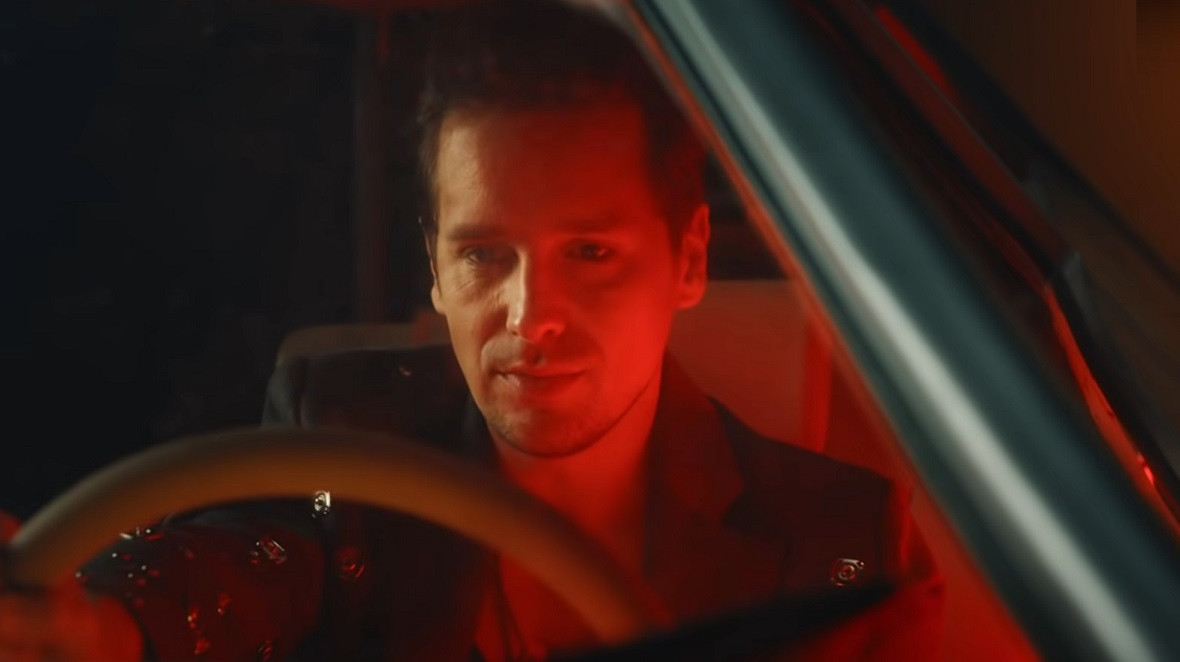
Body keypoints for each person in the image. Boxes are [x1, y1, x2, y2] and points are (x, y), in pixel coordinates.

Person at [0, 2, 943, 660]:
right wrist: (105, 628)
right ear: (436, 269)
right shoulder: (347, 434)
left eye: (590, 253)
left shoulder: (837, 538)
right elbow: (249, 555)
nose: (531, 317)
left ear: (688, 260)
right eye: (486, 255)